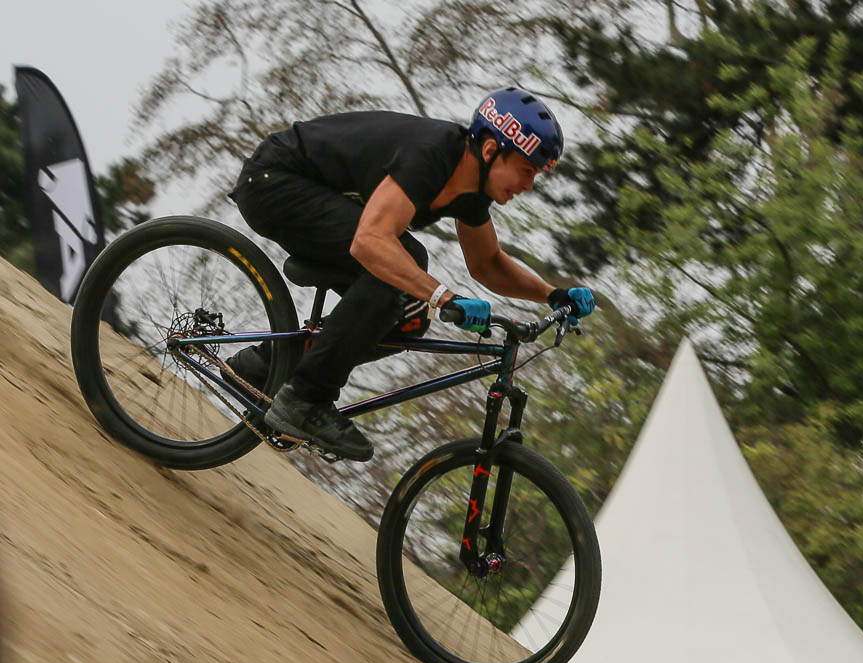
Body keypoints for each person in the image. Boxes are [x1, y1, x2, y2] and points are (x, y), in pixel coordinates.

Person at [226, 86, 596, 462]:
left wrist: (552, 294)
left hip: (313, 194)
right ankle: (304, 399)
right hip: (273, 181)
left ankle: (268, 362)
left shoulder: (471, 192)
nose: (529, 185)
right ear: (490, 150)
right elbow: (370, 241)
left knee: (410, 317)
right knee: (403, 264)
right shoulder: (430, 155)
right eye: (526, 170)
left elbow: (487, 264)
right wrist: (444, 297)